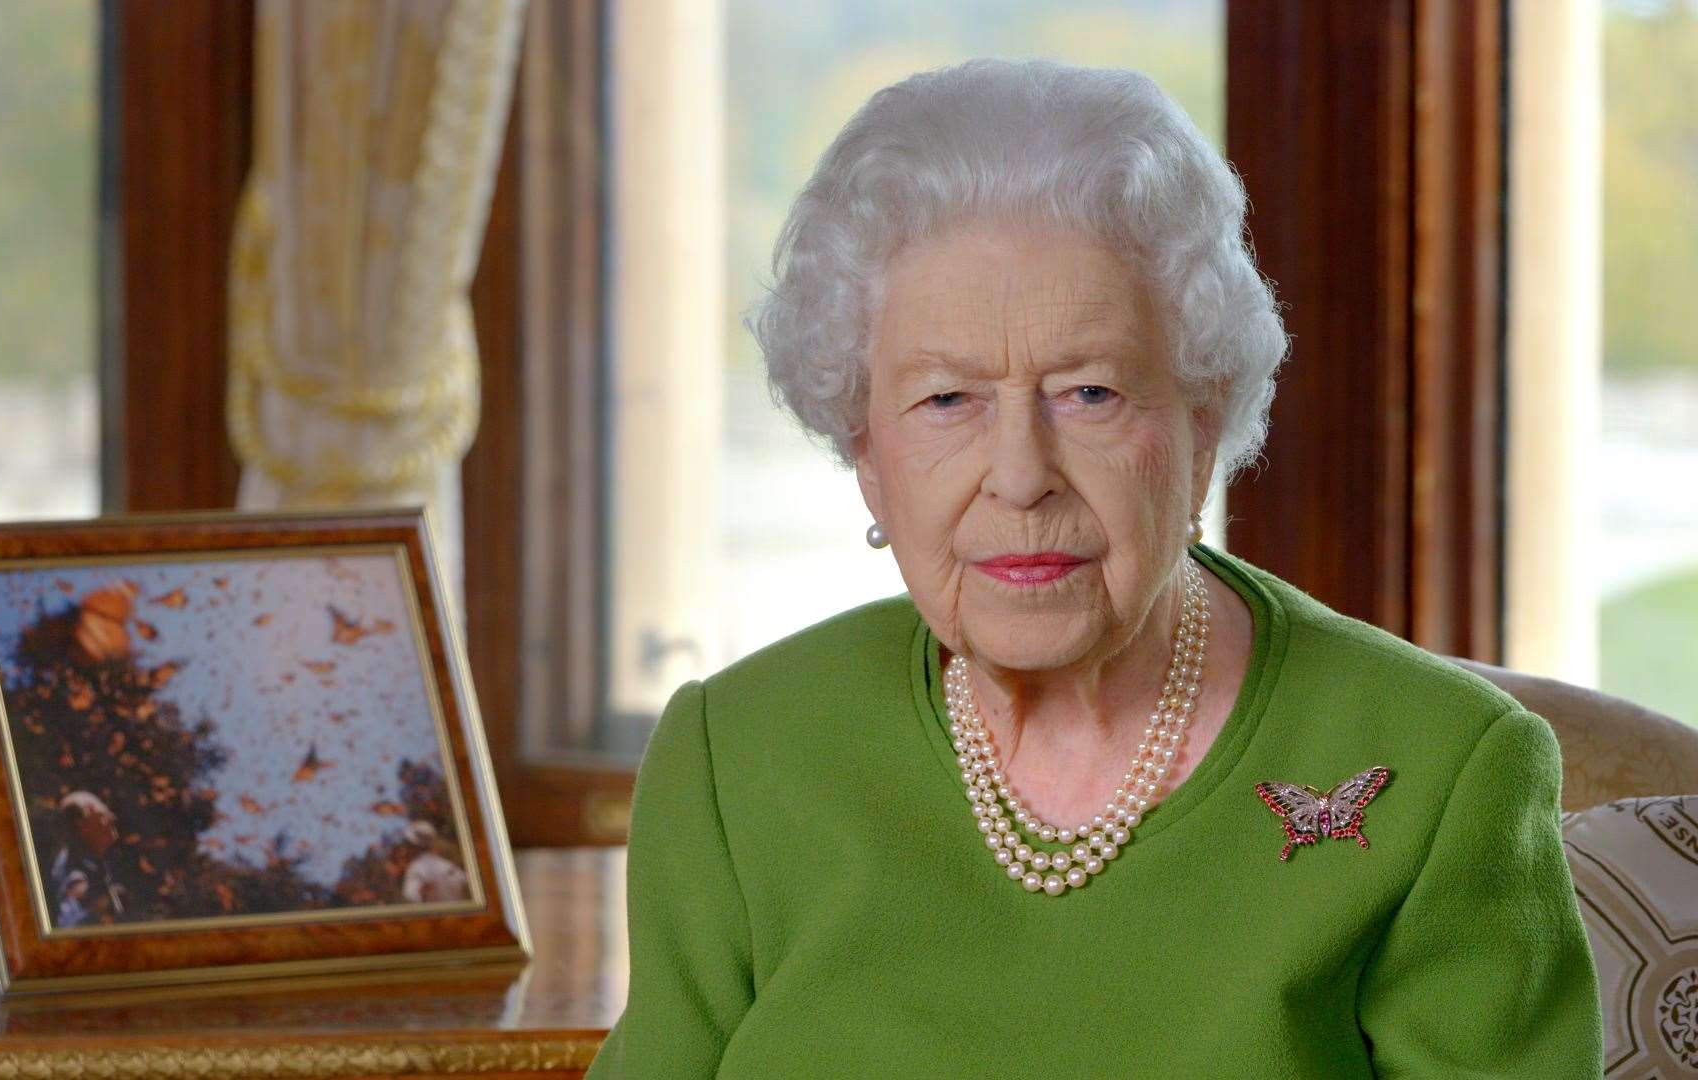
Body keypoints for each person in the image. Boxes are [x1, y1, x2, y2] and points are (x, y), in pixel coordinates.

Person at [587, 60, 1600, 1078]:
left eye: (1089, 393)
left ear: (1203, 426)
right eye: (947, 402)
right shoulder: (737, 760)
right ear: (866, 455)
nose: (1022, 478)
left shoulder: (1441, 772)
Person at [46, 790, 125, 927]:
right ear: (82, 826)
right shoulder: (74, 874)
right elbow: (71, 926)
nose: (112, 818)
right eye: (102, 815)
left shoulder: (97, 861)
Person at [400, 819, 470, 903]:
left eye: (407, 843)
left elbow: (410, 897)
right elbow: (466, 882)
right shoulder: (448, 865)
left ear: (413, 845)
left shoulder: (415, 868)